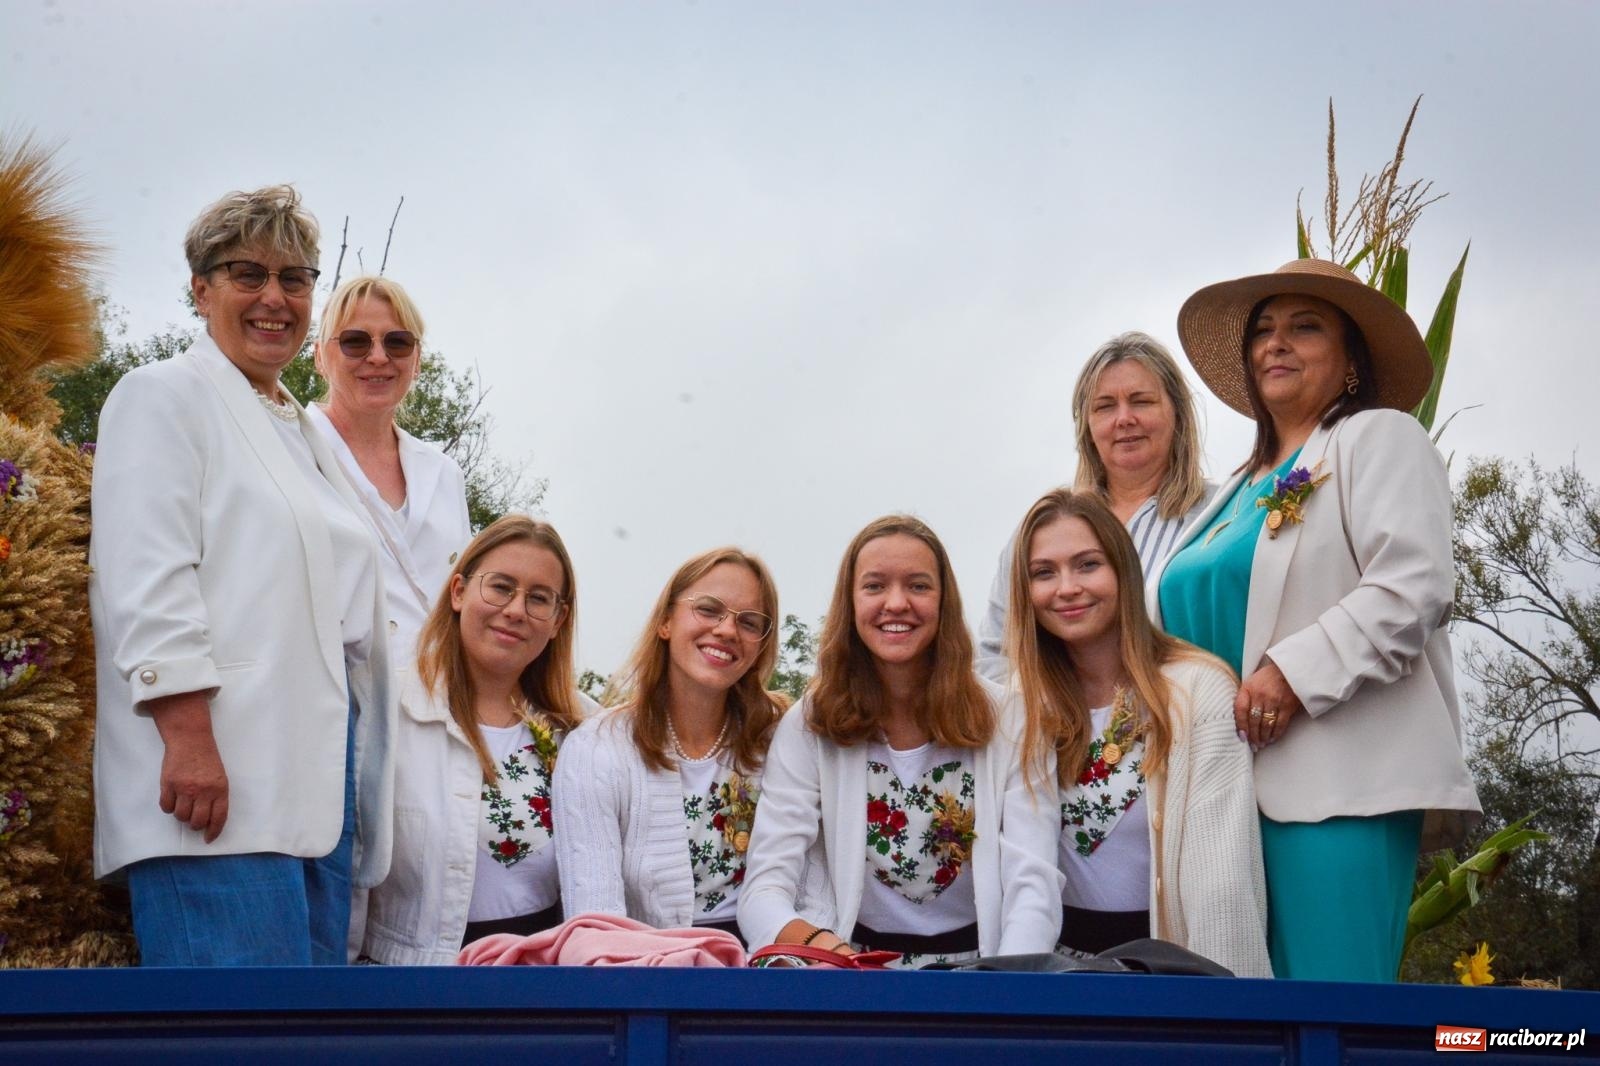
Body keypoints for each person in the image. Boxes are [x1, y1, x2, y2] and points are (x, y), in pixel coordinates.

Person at [1149, 258, 1481, 982]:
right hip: (1218, 800)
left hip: (1338, 791)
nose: (1276, 342)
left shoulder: (1381, 438)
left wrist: (1291, 676)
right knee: (1230, 1018)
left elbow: (1414, 585)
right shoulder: (1228, 493)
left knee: (1329, 1006)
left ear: (1352, 360)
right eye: (1263, 330)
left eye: (1305, 327)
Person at [89, 185, 395, 966]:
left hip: (313, 790)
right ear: (201, 290)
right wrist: (188, 736)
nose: (274, 298)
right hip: (215, 788)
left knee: (303, 1027)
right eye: (246, 274)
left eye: (294, 278)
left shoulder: (296, 427)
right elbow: (145, 575)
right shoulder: (162, 396)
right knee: (238, 1026)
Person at [740, 516, 1060, 968]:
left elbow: (1034, 885)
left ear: (944, 600)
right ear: (850, 602)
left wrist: (1004, 987)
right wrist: (828, 952)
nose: (896, 603)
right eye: (874, 586)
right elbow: (765, 889)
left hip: (988, 972)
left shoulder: (1012, 719)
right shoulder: (809, 725)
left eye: (918, 586)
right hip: (850, 973)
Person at [1007, 489, 1270, 976]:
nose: (1067, 587)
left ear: (1123, 571)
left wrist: (1220, 1004)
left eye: (1087, 565)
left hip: (1163, 971)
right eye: (1044, 573)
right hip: (1054, 977)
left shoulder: (1197, 691)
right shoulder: (1022, 704)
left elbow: (1222, 877)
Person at [360, 516, 583, 963]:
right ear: (459, 591)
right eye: (500, 587)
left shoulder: (582, 731)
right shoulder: (384, 706)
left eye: (539, 598)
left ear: (558, 620)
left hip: (542, 986)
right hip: (412, 982)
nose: (516, 610)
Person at [554, 548, 787, 941]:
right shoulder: (595, 749)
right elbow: (597, 921)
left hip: (769, 965)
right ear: (665, 621)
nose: (727, 630)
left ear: (761, 646)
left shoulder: (782, 741)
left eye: (749, 622)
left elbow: (810, 891)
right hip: (643, 969)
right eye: (708, 609)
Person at [979, 332, 1213, 683]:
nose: (1124, 419)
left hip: (1189, 710)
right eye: (1105, 406)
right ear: (1086, 427)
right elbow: (994, 657)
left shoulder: (1222, 514)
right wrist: (1040, 710)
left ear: (1177, 412)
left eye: (1141, 401)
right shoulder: (1043, 529)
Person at [306, 275, 471, 665]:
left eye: (397, 342)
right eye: (355, 342)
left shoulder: (445, 475)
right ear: (319, 357)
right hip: (331, 691)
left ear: (417, 361)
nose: (378, 357)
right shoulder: (289, 453)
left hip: (441, 690)